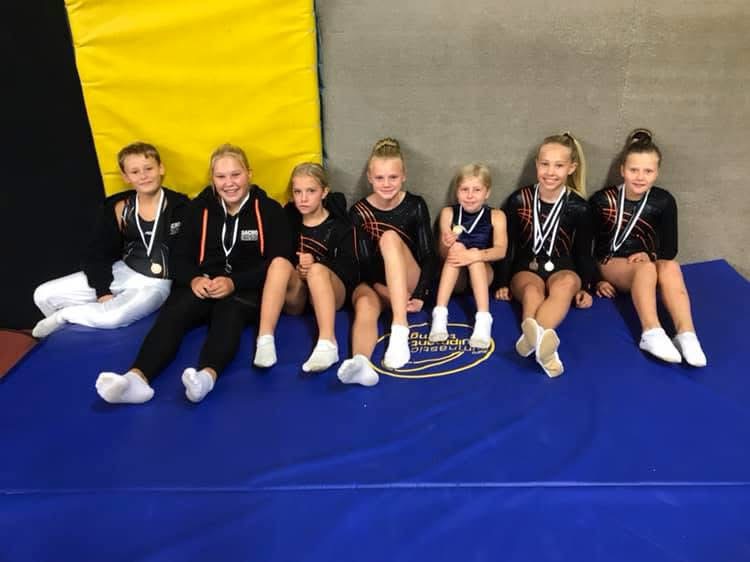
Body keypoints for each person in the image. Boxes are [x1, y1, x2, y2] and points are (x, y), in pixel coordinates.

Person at [95, 144, 291, 404]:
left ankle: (206, 377)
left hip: (244, 288)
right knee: (173, 315)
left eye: (236, 174)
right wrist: (194, 279)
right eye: (221, 176)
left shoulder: (269, 209)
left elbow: (279, 261)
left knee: (228, 315)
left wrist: (234, 282)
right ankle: (136, 378)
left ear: (249, 174)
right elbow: (177, 257)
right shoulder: (198, 208)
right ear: (212, 179)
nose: (229, 183)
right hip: (202, 283)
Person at [32, 142, 188, 338]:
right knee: (43, 294)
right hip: (122, 272)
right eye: (135, 171)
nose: (143, 175)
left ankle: (64, 316)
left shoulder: (182, 207)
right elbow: (97, 253)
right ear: (126, 177)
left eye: (149, 168)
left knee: (113, 317)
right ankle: (60, 339)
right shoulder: (118, 207)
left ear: (161, 168)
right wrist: (102, 291)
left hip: (155, 284)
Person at [590, 129, 707, 367]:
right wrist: (594, 279)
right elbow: (585, 246)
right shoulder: (602, 200)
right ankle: (651, 331)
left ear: (657, 172)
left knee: (670, 266)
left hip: (646, 263)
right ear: (622, 170)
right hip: (610, 262)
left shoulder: (663, 200)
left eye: (648, 171)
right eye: (634, 170)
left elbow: (670, 248)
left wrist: (650, 254)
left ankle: (686, 334)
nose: (640, 177)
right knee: (646, 269)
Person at [337, 137, 437, 386]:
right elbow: (362, 265)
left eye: (393, 177)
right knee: (364, 306)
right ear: (369, 178)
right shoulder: (359, 212)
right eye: (380, 178)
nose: (386, 184)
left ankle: (400, 329)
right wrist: (387, 293)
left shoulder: (415, 205)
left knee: (390, 238)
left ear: (403, 176)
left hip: (408, 281)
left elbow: (428, 255)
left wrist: (421, 294)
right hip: (377, 283)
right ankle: (361, 362)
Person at [494, 132, 594, 377]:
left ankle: (532, 339)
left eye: (559, 166)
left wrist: (586, 286)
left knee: (565, 286)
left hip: (564, 267)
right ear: (536, 164)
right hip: (526, 267)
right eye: (545, 164)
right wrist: (502, 282)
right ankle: (545, 349)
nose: (550, 172)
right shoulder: (519, 200)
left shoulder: (580, 207)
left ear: (571, 168)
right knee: (531, 291)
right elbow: (508, 245)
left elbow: (583, 252)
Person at [251, 162, 358, 373]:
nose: (303, 198)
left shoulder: (339, 225)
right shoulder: (288, 218)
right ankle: (264, 339)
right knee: (279, 263)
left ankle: (328, 342)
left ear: (324, 192)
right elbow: (277, 252)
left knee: (316, 271)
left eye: (311, 191)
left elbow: (351, 270)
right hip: (298, 297)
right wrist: (298, 269)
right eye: (298, 192)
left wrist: (318, 263)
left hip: (330, 292)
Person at [429, 163, 507, 348]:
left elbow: (501, 251)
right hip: (455, 277)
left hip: (482, 275)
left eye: (477, 190)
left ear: (487, 192)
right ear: (457, 192)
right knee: (457, 248)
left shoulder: (496, 215)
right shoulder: (448, 213)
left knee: (474, 256)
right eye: (464, 189)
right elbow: (442, 253)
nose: (470, 195)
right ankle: (440, 314)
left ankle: (483, 319)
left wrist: (474, 255)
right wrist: (448, 242)